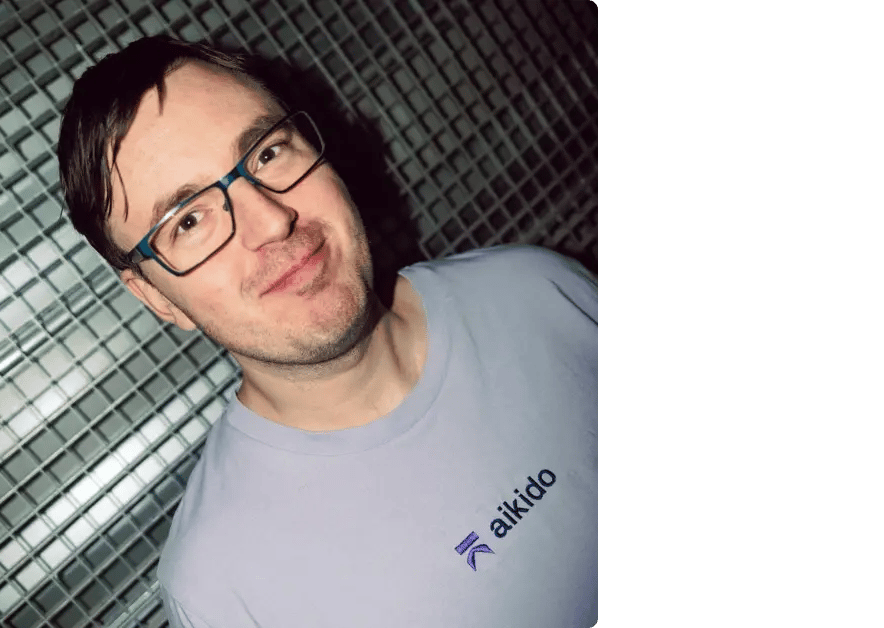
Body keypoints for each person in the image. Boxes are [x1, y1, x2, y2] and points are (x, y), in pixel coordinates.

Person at [58, 35, 598, 628]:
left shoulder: (542, 289)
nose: (271, 219)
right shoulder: (222, 588)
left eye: (266, 154)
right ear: (158, 296)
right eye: (188, 220)